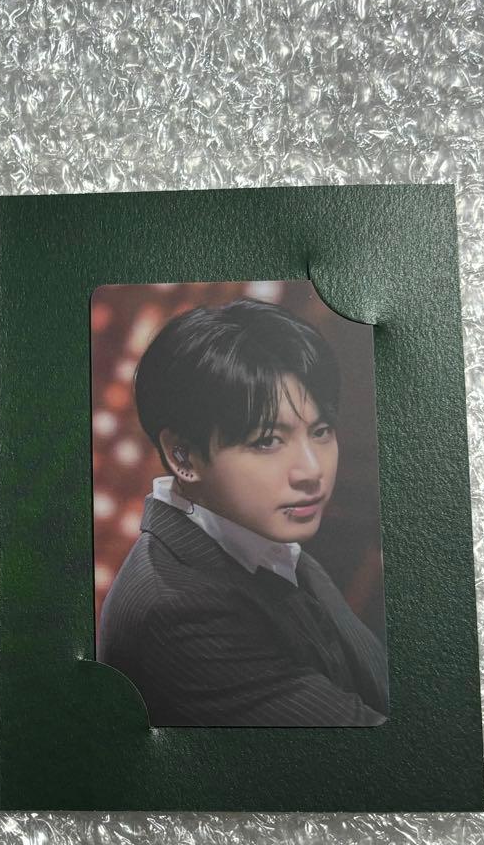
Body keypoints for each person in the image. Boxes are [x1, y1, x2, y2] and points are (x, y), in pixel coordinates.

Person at [97, 299, 388, 726]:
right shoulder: (180, 612)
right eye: (267, 441)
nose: (312, 470)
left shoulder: (259, 539)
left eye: (321, 431)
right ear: (183, 455)